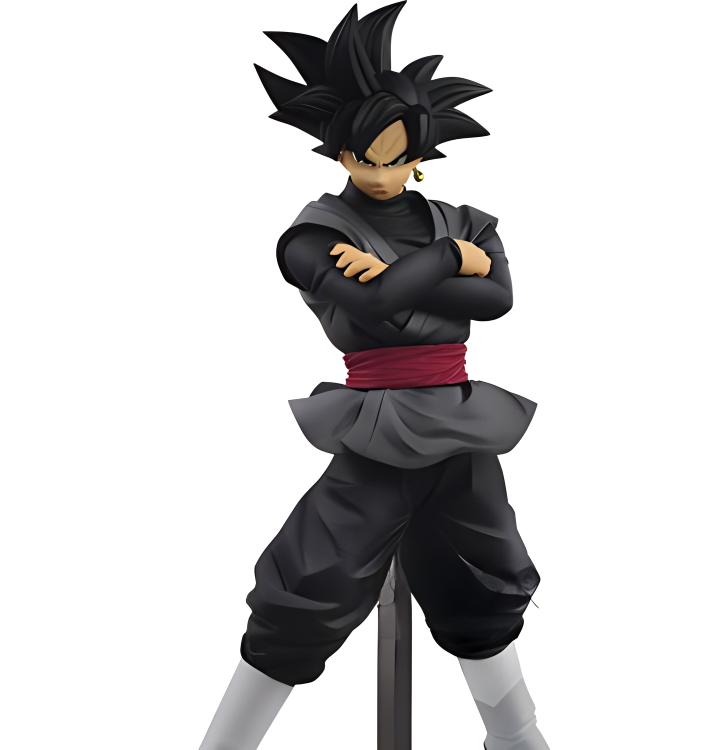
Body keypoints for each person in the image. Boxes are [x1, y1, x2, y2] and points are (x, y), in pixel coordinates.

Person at [200, 3, 549, 748]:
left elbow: (497, 301)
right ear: (339, 151)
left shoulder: (467, 218)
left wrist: (413, 271)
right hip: (378, 425)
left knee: (486, 578)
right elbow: (374, 306)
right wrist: (450, 262)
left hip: (459, 420)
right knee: (310, 583)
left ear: (422, 150)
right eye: (367, 156)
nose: (383, 173)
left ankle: (518, 737)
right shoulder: (312, 234)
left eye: (398, 156)